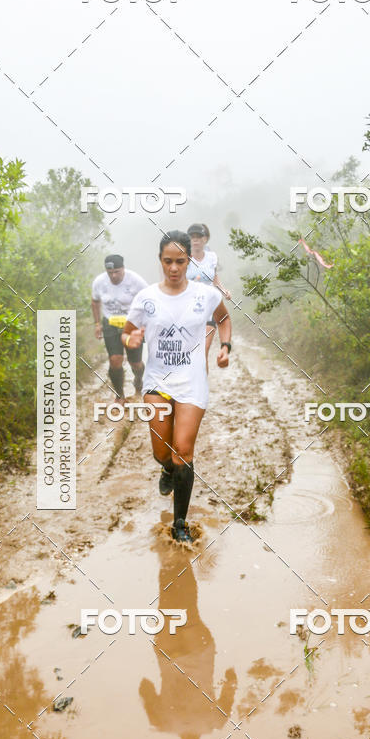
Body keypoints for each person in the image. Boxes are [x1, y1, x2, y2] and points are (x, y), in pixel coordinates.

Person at [122, 231, 232, 543]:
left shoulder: (205, 294)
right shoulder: (146, 298)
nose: (173, 268)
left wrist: (226, 347)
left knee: (182, 451)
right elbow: (127, 332)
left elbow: (223, 319)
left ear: (189, 262)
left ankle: (179, 523)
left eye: (180, 261)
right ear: (160, 260)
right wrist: (132, 339)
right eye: (168, 261)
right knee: (163, 453)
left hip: (192, 381)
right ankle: (167, 469)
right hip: (157, 382)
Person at [91, 254, 148, 401]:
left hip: (132, 324)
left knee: (135, 363)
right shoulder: (99, 282)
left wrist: (146, 324)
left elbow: (150, 301)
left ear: (123, 268)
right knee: (115, 360)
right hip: (111, 324)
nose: (114, 276)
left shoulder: (136, 281)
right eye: (110, 273)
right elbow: (95, 302)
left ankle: (138, 380)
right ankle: (119, 396)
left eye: (117, 272)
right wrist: (97, 324)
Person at [186, 223, 231, 366]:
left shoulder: (212, 257)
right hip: (187, 308)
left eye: (198, 237)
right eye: (192, 237)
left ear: (205, 239)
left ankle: (201, 381)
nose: (195, 240)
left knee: (202, 352)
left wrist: (224, 291)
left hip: (208, 307)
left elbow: (215, 280)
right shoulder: (183, 258)